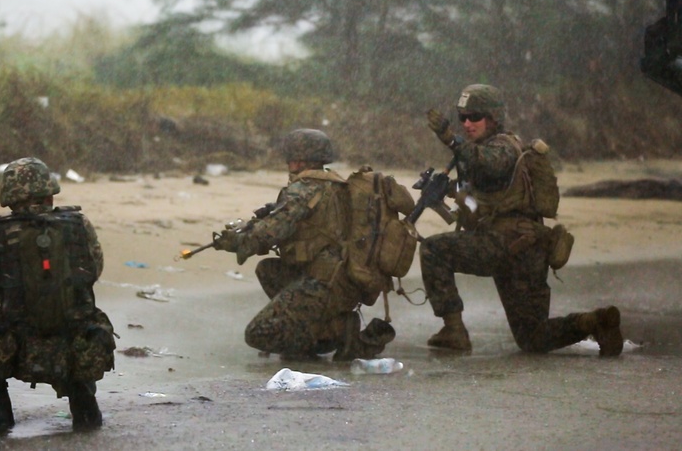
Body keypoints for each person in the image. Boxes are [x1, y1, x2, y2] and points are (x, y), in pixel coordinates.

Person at [421, 84, 623, 356]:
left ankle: (454, 331)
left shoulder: (504, 147)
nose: (468, 123)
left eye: (475, 116)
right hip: (522, 249)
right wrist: (449, 191)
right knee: (533, 338)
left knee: (433, 250)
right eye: (462, 118)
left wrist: (450, 138)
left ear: (493, 118)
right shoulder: (482, 153)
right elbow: (480, 201)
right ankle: (593, 321)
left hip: (506, 246)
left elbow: (489, 163)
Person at [0, 157, 115, 430]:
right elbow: (94, 270)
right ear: (49, 190)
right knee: (85, 315)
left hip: (18, 345)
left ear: (10, 194)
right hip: (76, 344)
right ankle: (84, 405)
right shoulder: (79, 225)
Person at [213, 129, 396, 360]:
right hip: (343, 282)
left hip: (324, 283)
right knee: (268, 270)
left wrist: (237, 241)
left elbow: (270, 233)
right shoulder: (335, 184)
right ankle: (330, 325)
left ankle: (333, 333)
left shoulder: (304, 189)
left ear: (298, 159)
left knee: (257, 334)